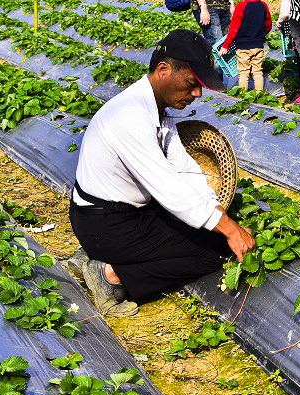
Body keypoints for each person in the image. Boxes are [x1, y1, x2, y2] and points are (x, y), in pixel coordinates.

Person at [67, 29, 257, 316]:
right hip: (105, 224)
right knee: (212, 252)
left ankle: (98, 256)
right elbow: (168, 186)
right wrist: (228, 228)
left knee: (204, 230)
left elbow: (184, 169)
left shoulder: (157, 111)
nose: (197, 93)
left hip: (122, 215)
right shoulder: (130, 116)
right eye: (192, 82)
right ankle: (110, 275)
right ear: (163, 70)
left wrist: (218, 211)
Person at [220, 0, 272, 91]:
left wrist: (225, 46)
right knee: (258, 72)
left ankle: (244, 97)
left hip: (243, 46)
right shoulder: (263, 6)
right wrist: (260, 35)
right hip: (258, 45)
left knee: (243, 73)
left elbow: (234, 29)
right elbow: (268, 25)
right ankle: (259, 96)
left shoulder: (240, 7)